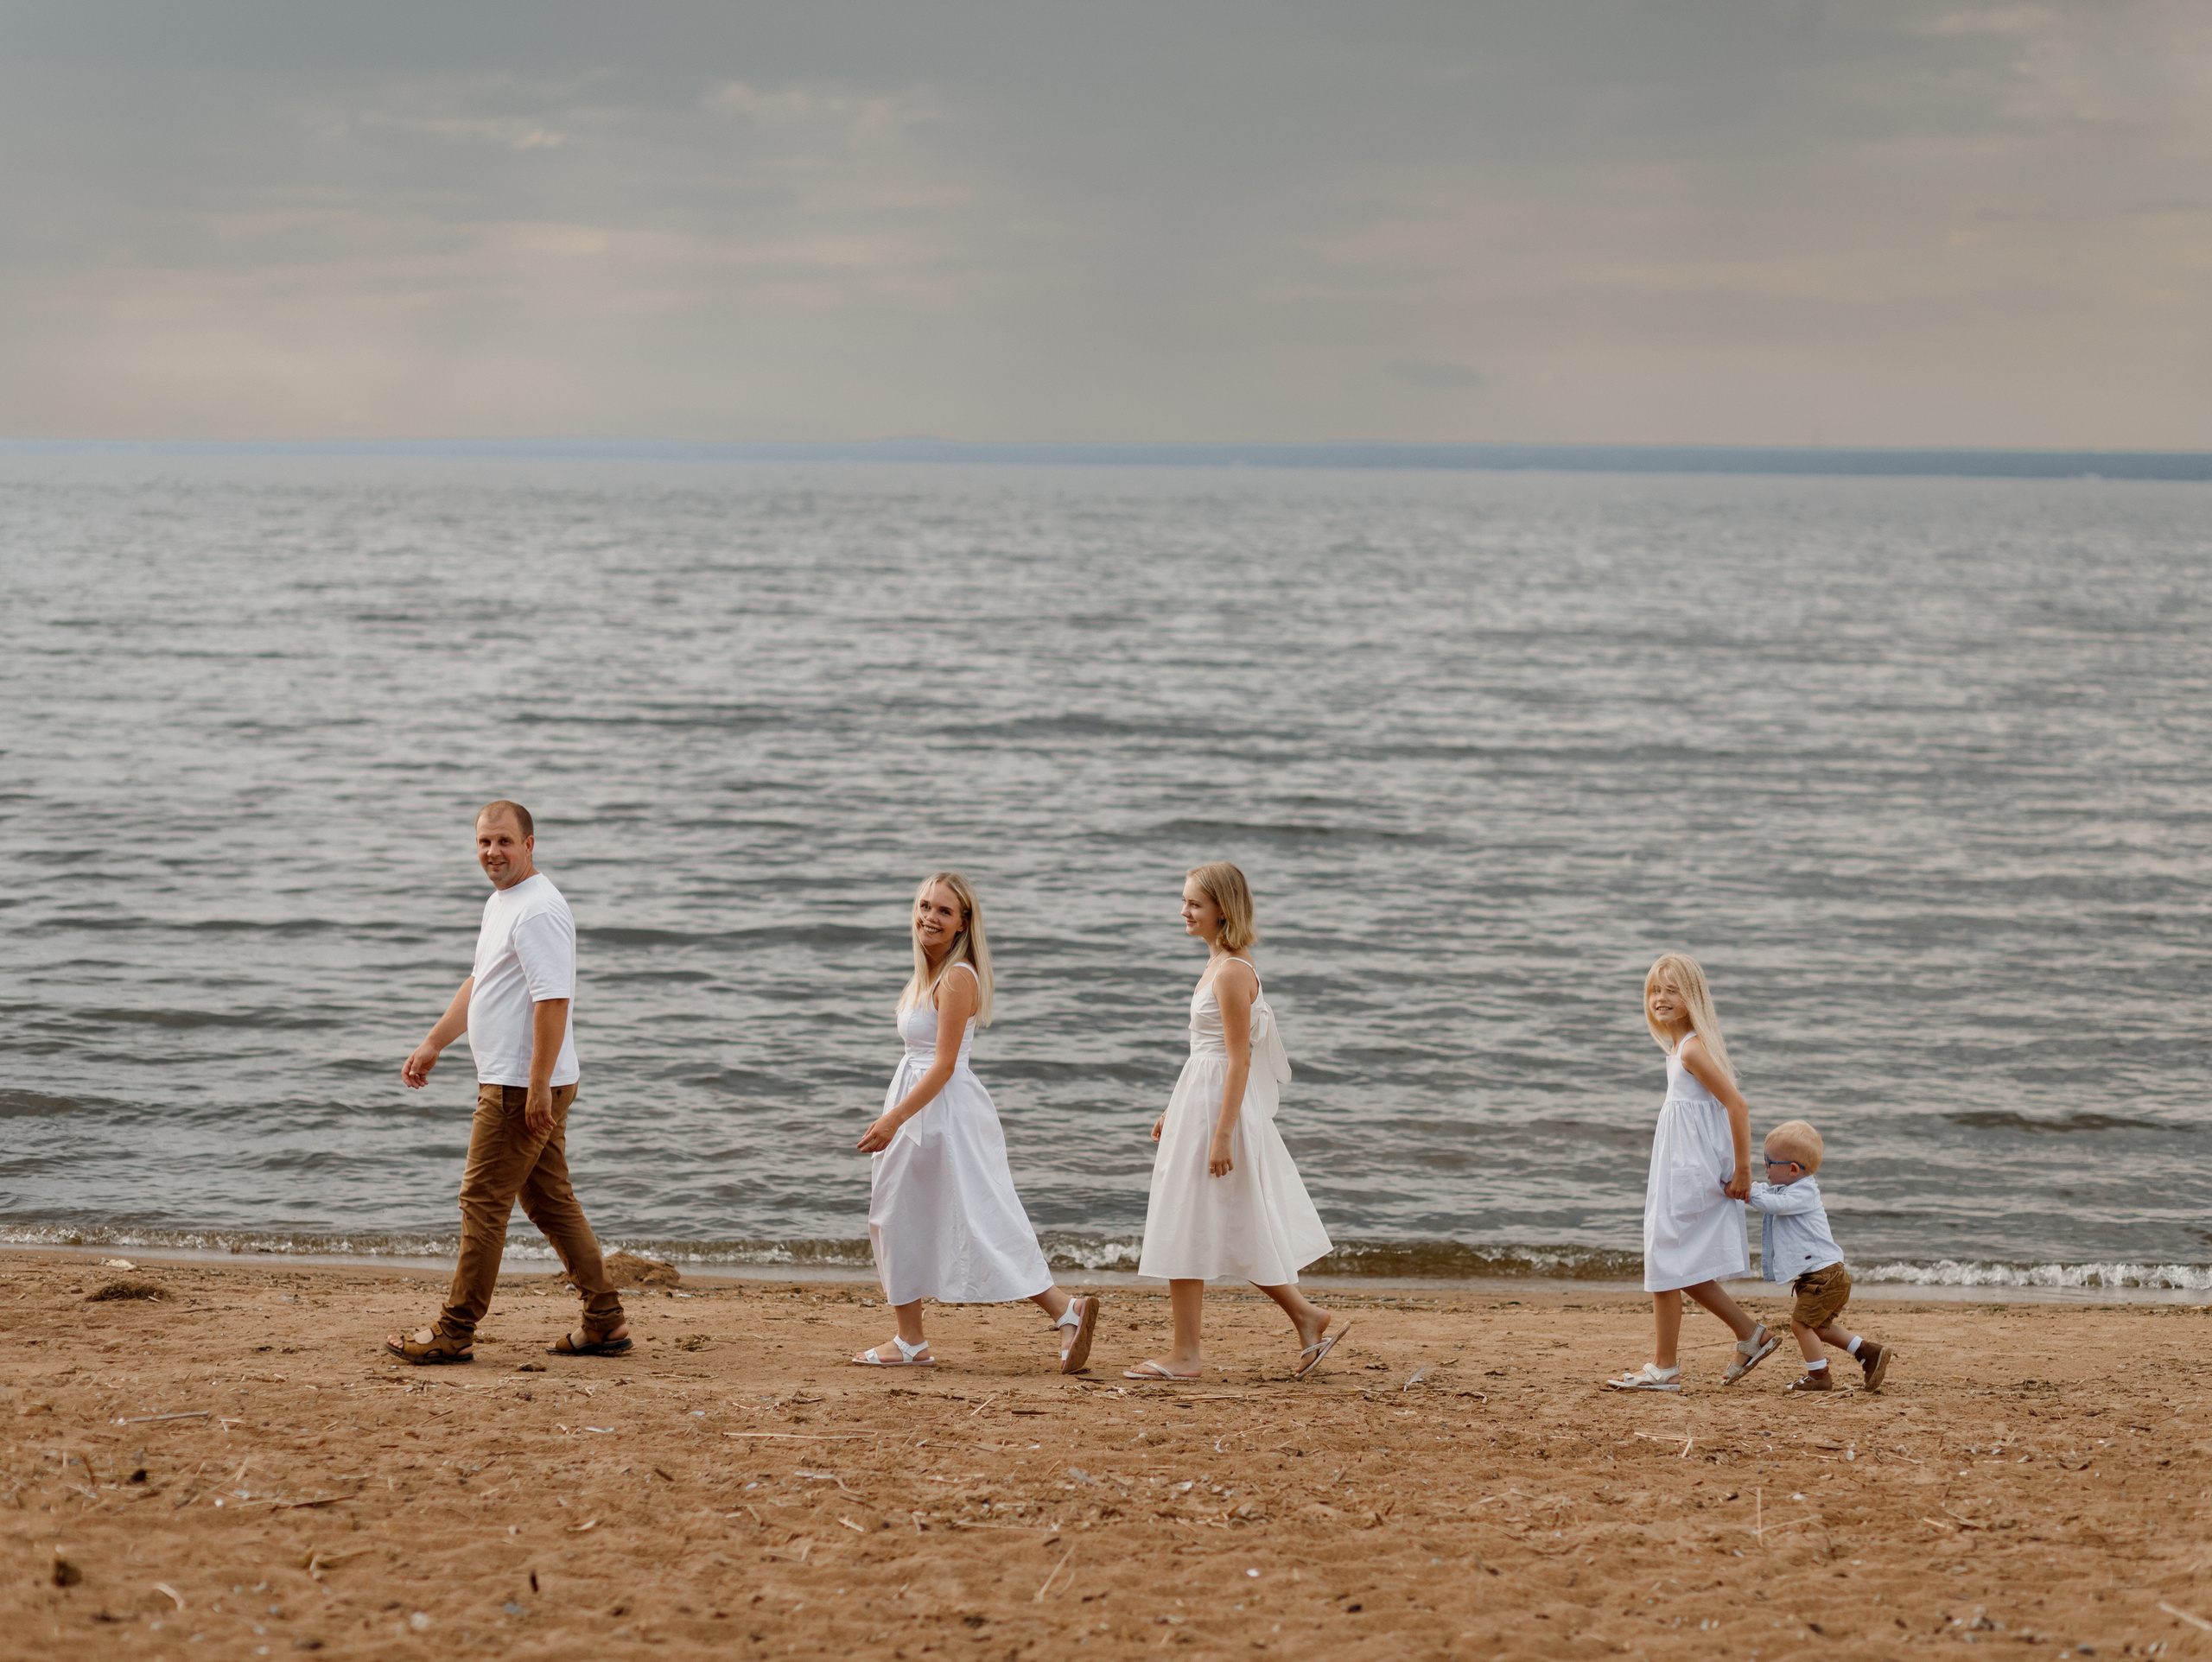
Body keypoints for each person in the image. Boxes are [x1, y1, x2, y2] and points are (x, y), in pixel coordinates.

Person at [385, 801, 629, 1365]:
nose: (492, 852)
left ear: (529, 844)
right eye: (484, 842)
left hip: (521, 1087)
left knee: (482, 1203)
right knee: (549, 1201)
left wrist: (537, 1086)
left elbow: (553, 1001)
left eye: (504, 842)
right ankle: (605, 1320)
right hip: (525, 1081)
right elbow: (482, 980)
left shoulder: (538, 909)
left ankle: (455, 1330)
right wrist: (435, 1041)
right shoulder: (503, 902)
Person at [852, 872, 1100, 1372]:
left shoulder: (957, 977)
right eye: (925, 906)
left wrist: (894, 1119)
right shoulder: (929, 973)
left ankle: (1058, 1309)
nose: (930, 917)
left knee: (967, 1217)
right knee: (902, 1215)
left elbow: (944, 1065)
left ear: (963, 922)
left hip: (942, 1114)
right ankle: (914, 1338)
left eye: (944, 911)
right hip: (925, 1104)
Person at [1127, 862, 1344, 1382]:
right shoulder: (1220, 964)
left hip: (1216, 1112)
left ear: (1222, 909)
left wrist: (1222, 1134)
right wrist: (1173, 1109)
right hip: (1199, 1103)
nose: (1184, 911)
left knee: (1186, 1219)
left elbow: (1238, 1060)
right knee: (1221, 1223)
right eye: (1184, 901)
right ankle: (1306, 1316)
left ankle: (1186, 1355)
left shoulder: (1229, 973)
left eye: (1194, 904)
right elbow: (1206, 1054)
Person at [1605, 952, 1780, 1392]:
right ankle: (1749, 1335)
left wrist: (1743, 1171)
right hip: (1681, 1169)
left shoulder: (1692, 1050)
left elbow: (1737, 1106)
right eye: (1654, 990)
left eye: (1672, 990)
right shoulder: (1679, 1049)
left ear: (1693, 997)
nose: (1660, 998)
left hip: (1691, 1173)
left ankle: (1666, 1366)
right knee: (1672, 1261)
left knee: (1665, 1259)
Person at [1747, 1120, 1895, 1393]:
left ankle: (1818, 1376)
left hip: (1824, 1277)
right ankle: (1868, 1352)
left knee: (1800, 1325)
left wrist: (1746, 1194)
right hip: (1824, 1276)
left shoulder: (1804, 1192)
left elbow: (1772, 1203)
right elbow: (1764, 1193)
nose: (1765, 1168)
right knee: (1820, 1327)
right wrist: (1741, 1184)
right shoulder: (1788, 1189)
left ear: (1793, 1169)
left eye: (1769, 1162)